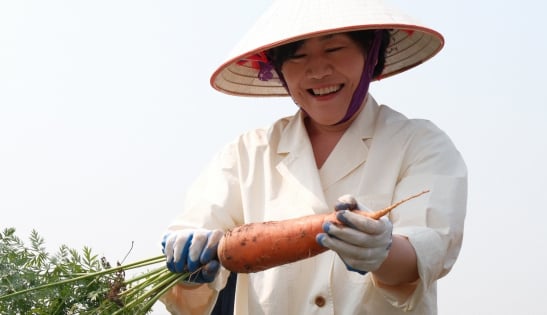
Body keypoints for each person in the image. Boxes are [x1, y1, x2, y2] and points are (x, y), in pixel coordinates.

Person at [160, 0, 468, 314]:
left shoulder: (422, 145)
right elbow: (191, 255)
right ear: (278, 69)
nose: (318, 70)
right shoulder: (245, 155)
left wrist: (383, 253)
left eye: (334, 49)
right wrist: (188, 269)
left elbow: (428, 251)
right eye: (298, 56)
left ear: (371, 52)